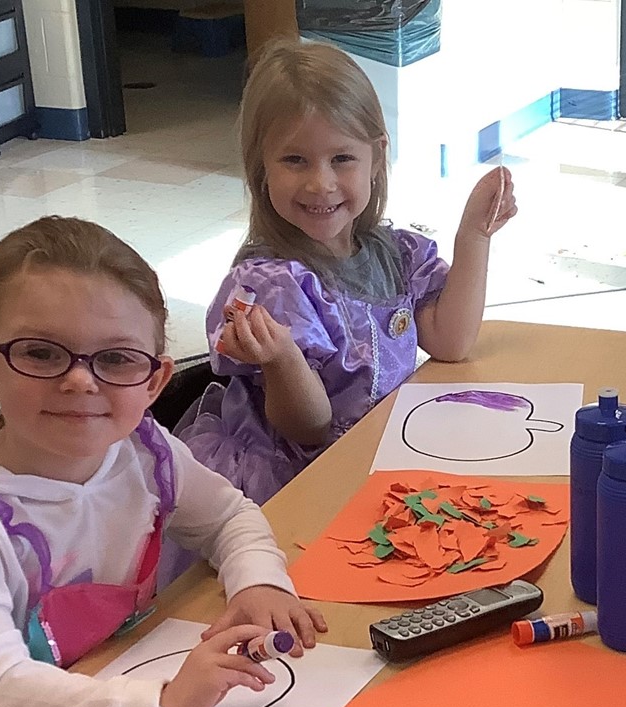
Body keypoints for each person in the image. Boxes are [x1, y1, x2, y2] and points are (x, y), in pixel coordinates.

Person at [0, 217, 327, 707]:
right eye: (40, 352)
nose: (81, 379)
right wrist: (161, 703)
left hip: (110, 670)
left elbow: (230, 516)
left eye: (115, 358)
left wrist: (258, 582)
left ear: (154, 381)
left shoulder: (144, 453)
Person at [178, 39, 518, 504]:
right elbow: (309, 427)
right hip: (295, 480)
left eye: (342, 158)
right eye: (294, 159)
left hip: (376, 454)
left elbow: (449, 342)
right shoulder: (271, 284)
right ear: (262, 167)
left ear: (377, 158)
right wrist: (281, 358)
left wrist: (473, 238)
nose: (321, 183)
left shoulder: (393, 252)